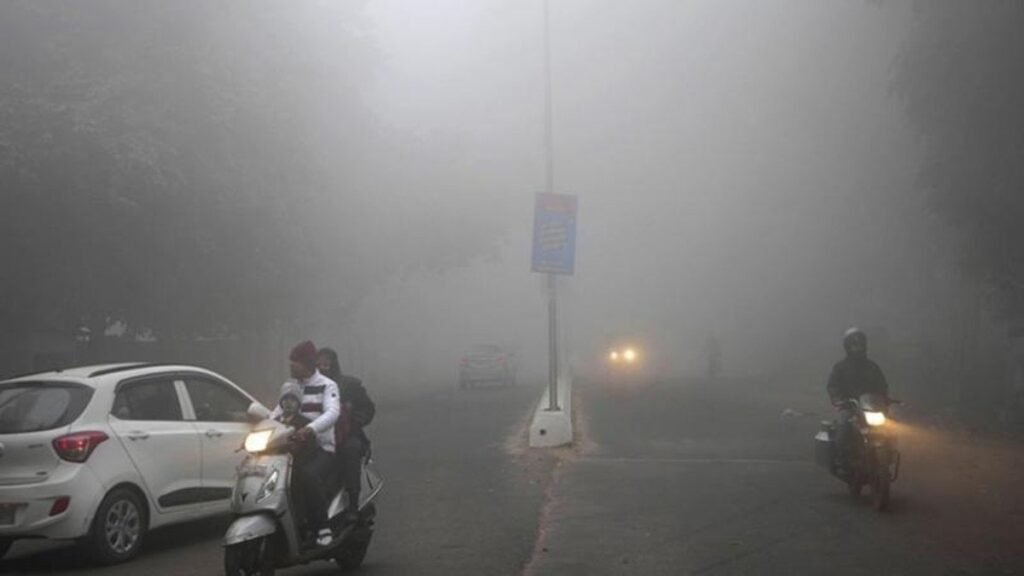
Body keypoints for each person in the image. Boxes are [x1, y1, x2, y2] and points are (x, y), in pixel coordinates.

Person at [270, 340, 341, 546]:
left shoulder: (327, 385)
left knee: (308, 475)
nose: (291, 366)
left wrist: (311, 429)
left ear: (307, 364)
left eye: (295, 362)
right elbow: (277, 412)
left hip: (320, 448)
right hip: (292, 448)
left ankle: (323, 527)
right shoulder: (291, 387)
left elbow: (333, 412)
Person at [317, 347, 375, 523]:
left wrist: (351, 421)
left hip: (346, 435)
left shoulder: (350, 386)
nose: (323, 367)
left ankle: (353, 502)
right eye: (319, 364)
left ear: (334, 364)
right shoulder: (308, 387)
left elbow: (367, 409)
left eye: (326, 363)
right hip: (317, 435)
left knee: (351, 450)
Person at [826, 328, 890, 475]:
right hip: (849, 407)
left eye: (860, 344)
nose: (857, 347)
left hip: (871, 408)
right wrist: (838, 399)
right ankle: (841, 460)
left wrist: (885, 398)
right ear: (847, 346)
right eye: (853, 344)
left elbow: (882, 385)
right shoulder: (840, 367)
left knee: (889, 430)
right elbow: (833, 385)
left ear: (864, 345)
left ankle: (887, 456)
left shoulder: (872, 367)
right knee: (843, 428)